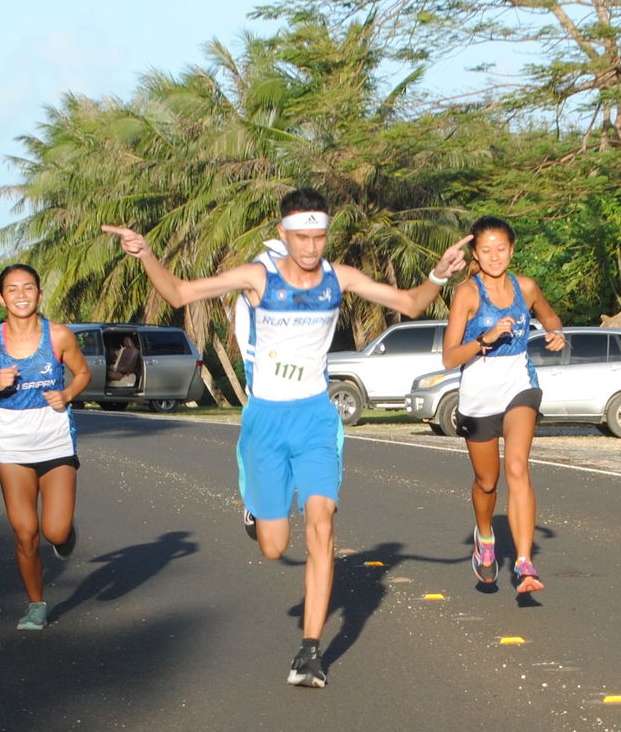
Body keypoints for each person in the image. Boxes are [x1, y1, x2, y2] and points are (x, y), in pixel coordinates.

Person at [105, 189, 467, 688]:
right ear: (284, 235)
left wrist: (438, 274)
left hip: (316, 417)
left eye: (319, 236)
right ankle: (255, 507)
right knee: (274, 547)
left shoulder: (340, 277)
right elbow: (181, 294)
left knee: (322, 525)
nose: (311, 246)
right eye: (302, 237)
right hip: (266, 420)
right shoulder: (259, 277)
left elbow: (407, 302)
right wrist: (146, 254)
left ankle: (310, 653)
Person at [0, 264, 91, 631]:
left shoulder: (59, 336)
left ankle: (64, 534)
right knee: (25, 533)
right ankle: (36, 604)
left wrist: (66, 393)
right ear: (1, 298)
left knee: (56, 532)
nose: (20, 295)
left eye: (28, 287)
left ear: (39, 294)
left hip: (55, 439)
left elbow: (83, 374)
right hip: (12, 445)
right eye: (12, 289)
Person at [440, 217, 567, 591]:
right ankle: (485, 538)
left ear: (512, 249)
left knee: (516, 467)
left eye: (501, 248)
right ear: (475, 253)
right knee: (487, 480)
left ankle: (525, 564)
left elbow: (550, 316)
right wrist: (485, 338)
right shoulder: (467, 293)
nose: (495, 256)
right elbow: (449, 358)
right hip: (478, 395)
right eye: (486, 250)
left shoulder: (524, 287)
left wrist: (554, 332)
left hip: (519, 385)